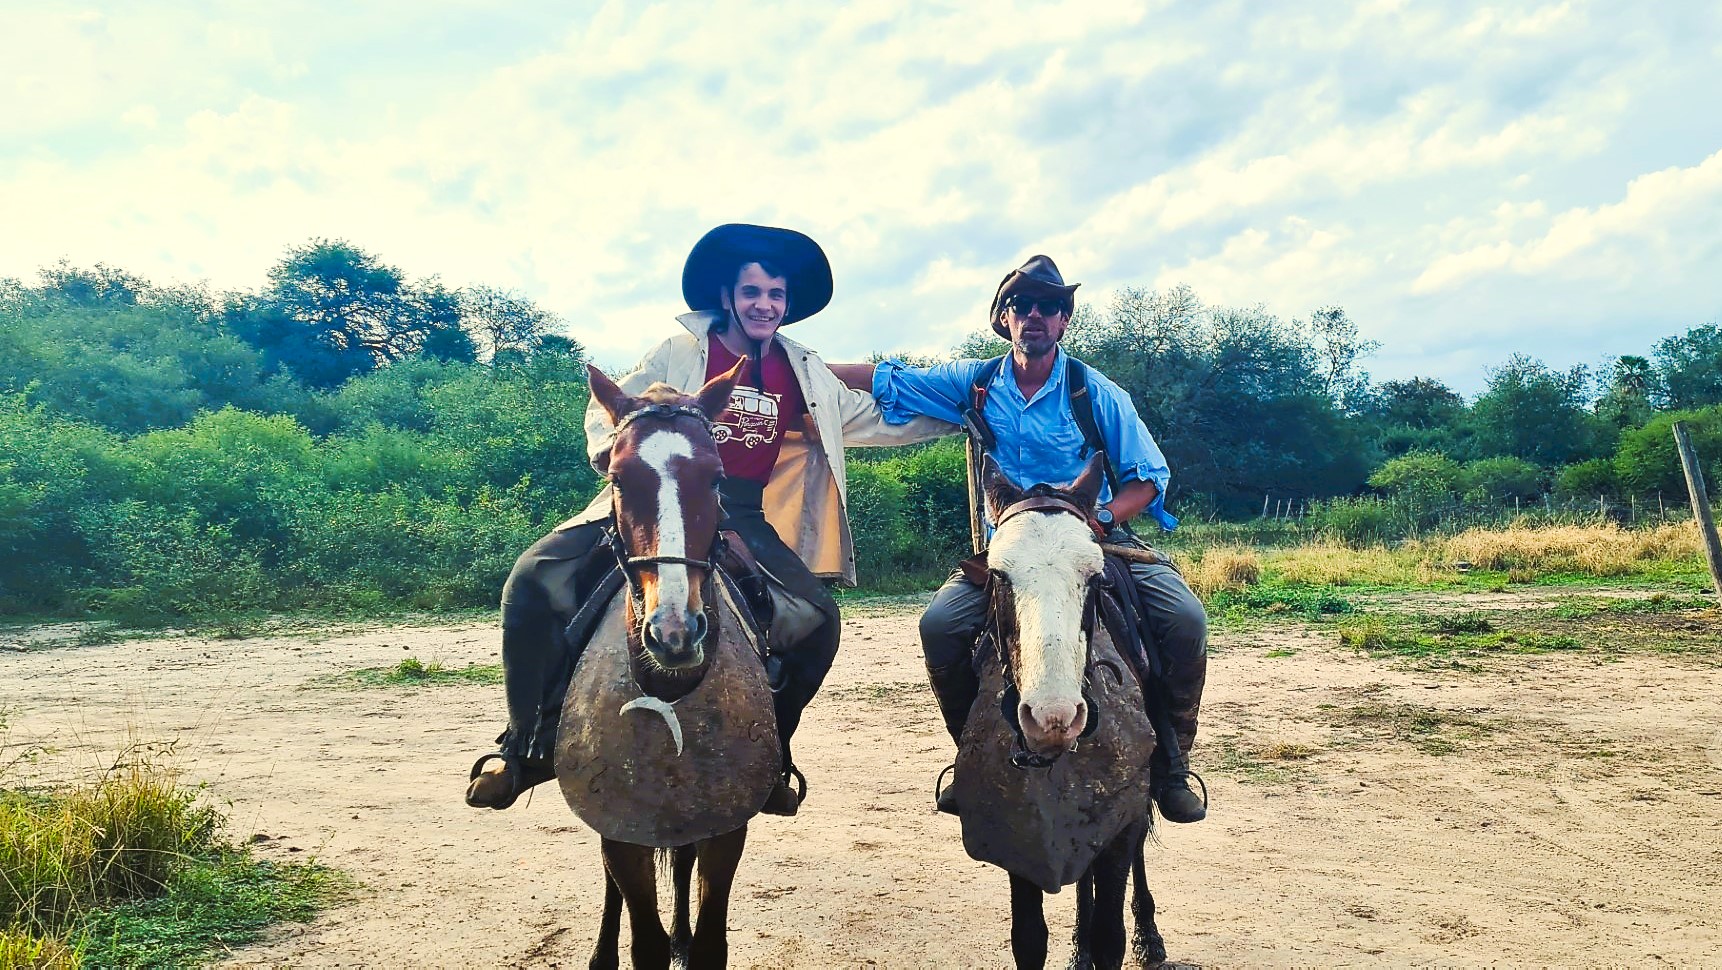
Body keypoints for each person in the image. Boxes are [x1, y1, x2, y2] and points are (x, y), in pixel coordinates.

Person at [466, 224, 956, 816]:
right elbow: (610, 409)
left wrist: (965, 418)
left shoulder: (802, 370)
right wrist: (614, 457)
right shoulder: (677, 351)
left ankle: (773, 752)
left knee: (818, 620)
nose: (765, 304)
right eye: (752, 291)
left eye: (775, 294)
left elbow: (872, 418)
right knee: (531, 577)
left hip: (741, 511)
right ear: (728, 297)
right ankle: (524, 747)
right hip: (652, 500)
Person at [831, 255, 1210, 823]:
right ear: (1003, 318)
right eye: (1022, 305)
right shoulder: (976, 383)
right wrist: (791, 368)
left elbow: (1147, 479)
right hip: (1011, 548)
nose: (1035, 315)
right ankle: (968, 755)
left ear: (1063, 321)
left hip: (1094, 538)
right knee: (940, 627)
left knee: (1184, 619)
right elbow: (888, 377)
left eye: (1049, 306)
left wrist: (1101, 519)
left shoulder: (1096, 392)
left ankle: (1174, 764)